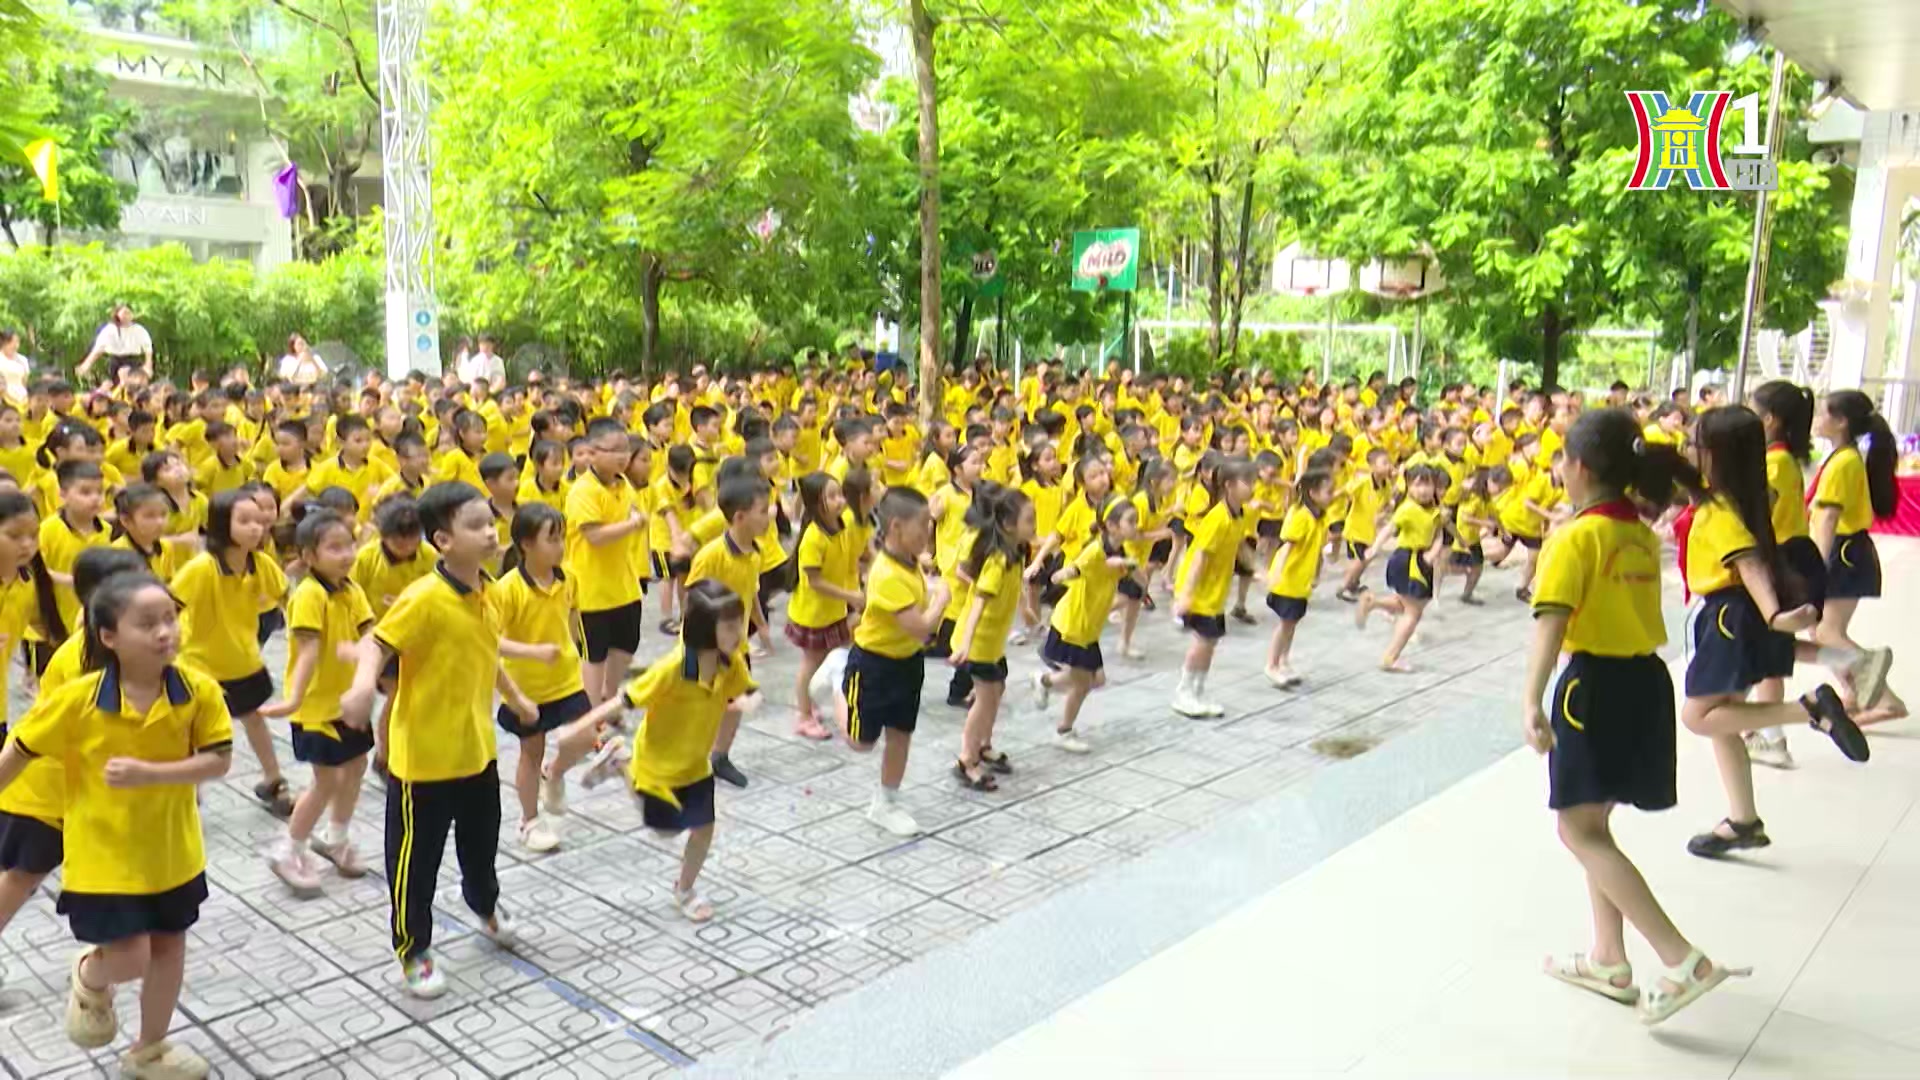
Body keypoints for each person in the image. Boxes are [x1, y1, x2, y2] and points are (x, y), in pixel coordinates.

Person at [1523, 407, 1744, 1026]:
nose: (1559, 470)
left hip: (1593, 689)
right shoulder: (1639, 535)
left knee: (1578, 831)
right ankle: (1608, 960)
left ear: (1581, 467)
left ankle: (1682, 960)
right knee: (1597, 824)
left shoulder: (1575, 537)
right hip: (1645, 681)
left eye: (1562, 460)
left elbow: (1551, 625)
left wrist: (1529, 702)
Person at [0, 571, 232, 1078]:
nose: (165, 632)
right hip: (102, 855)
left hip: (174, 851)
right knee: (129, 959)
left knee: (169, 947)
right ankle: (90, 975)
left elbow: (218, 761)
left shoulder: (198, 690)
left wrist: (154, 774)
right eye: (147, 623)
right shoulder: (78, 698)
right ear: (108, 636)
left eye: (170, 618)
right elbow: (19, 749)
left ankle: (149, 1051)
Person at [340, 482, 535, 999]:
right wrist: (362, 691)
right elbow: (375, 646)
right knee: (414, 863)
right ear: (443, 540)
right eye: (476, 525)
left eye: (490, 521)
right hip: (422, 762)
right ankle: (414, 948)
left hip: (477, 752)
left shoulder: (487, 590)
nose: (490, 531)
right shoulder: (424, 598)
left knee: (481, 845)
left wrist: (515, 699)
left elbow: (486, 653)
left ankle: (485, 905)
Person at [1680, 406, 1866, 860]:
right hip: (1733, 612)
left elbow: (1746, 560)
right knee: (1725, 720)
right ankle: (1743, 820)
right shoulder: (1749, 494)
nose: (1689, 449)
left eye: (1697, 444)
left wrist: (1773, 615)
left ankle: (1808, 711)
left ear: (1716, 454)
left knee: (1698, 716)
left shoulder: (1720, 508)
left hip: (1731, 614)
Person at [573, 580, 757, 923]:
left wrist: (748, 701)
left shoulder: (731, 664)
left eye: (740, 623)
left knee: (704, 828)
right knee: (665, 830)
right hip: (657, 763)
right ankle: (621, 759)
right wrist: (579, 725)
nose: (740, 632)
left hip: (695, 765)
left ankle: (685, 889)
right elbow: (624, 700)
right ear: (705, 629)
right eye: (730, 626)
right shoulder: (671, 669)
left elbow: (744, 690)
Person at [260, 509, 375, 892]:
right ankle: (287, 849)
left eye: (349, 545)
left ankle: (335, 838)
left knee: (356, 765)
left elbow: (370, 635)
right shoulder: (309, 594)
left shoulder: (352, 589)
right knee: (326, 780)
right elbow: (307, 651)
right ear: (309, 555)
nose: (346, 554)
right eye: (334, 547)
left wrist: (362, 656)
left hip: (348, 703)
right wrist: (292, 701)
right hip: (315, 708)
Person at [171, 490, 292, 818]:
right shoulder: (201, 568)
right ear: (222, 525)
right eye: (245, 521)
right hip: (200, 666)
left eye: (258, 520)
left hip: (244, 660)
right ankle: (188, 790)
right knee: (195, 731)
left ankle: (274, 779)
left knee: (254, 720)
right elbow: (171, 604)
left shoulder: (261, 564)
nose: (256, 527)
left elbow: (287, 597)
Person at [835, 487, 948, 836]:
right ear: (896, 527)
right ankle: (835, 674)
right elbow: (922, 629)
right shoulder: (885, 574)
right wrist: (943, 596)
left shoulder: (909, 560)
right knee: (861, 743)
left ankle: (885, 803)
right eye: (923, 527)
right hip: (874, 665)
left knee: (901, 734)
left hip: (907, 664)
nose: (928, 533)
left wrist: (929, 586)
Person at [490, 503, 593, 854]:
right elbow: (489, 641)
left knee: (586, 735)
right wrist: (532, 653)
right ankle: (529, 822)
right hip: (526, 688)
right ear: (525, 544)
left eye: (562, 538)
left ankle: (556, 771)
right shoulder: (507, 589)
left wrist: (573, 649)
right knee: (530, 752)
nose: (560, 546)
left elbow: (573, 617)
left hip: (565, 679)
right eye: (552, 539)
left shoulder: (569, 578)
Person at [1810, 389, 1907, 726]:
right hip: (1848, 550)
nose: (1816, 420)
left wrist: (1816, 566)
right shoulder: (1844, 457)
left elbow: (1828, 518)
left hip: (1842, 552)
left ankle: (1885, 698)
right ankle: (1856, 691)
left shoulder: (1843, 462)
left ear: (1841, 422)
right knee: (1820, 632)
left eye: (1823, 414)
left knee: (1827, 633)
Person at [1033, 497, 1139, 752]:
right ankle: (1063, 731)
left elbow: (1142, 582)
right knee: (1082, 683)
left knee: (1097, 679)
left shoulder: (1124, 552)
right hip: (1073, 625)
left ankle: (1045, 681)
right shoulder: (1095, 551)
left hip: (1089, 627)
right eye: (1131, 521)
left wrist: (1128, 565)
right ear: (1112, 526)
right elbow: (1074, 569)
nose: (1136, 526)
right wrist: (1057, 575)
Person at [686, 474, 771, 789]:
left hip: (738, 648)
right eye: (763, 511)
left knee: (736, 704)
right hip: (707, 647)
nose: (769, 516)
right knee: (701, 707)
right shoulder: (711, 556)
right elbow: (692, 599)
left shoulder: (755, 552)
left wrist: (760, 625)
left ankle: (719, 756)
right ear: (739, 517)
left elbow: (752, 593)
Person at [949, 485, 1034, 789]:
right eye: (1029, 520)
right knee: (984, 701)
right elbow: (976, 606)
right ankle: (966, 760)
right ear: (1009, 525)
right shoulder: (997, 561)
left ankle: (983, 746)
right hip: (979, 643)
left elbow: (1017, 587)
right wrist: (966, 645)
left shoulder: (1018, 551)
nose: (1034, 526)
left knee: (996, 692)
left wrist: (1026, 609)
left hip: (994, 642)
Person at [567, 419, 646, 706]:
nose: (622, 456)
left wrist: (635, 520)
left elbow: (636, 512)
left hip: (625, 584)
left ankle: (608, 700)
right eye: (614, 450)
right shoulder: (583, 490)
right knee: (595, 656)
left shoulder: (624, 485)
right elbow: (595, 536)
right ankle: (592, 718)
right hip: (591, 591)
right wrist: (633, 524)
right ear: (593, 452)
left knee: (626, 647)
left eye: (625, 449)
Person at [1171, 457, 1255, 718]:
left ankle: (1197, 690)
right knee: (1202, 641)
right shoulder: (1216, 518)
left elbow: (1240, 545)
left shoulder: (1240, 514)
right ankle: (1183, 692)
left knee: (1211, 641)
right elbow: (1198, 557)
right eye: (1247, 482)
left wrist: (1257, 570)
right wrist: (1185, 595)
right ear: (1229, 485)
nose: (1253, 487)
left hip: (1216, 591)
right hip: (1200, 592)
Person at [786, 472, 863, 741]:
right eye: (831, 496)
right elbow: (815, 581)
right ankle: (803, 716)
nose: (840, 500)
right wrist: (850, 596)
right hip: (813, 613)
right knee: (811, 662)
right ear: (815, 503)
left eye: (840, 493)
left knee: (828, 659)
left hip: (833, 610)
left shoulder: (842, 525)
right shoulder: (813, 537)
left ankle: (810, 704)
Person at [1357, 466, 1448, 672]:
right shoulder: (1407, 509)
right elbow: (1390, 529)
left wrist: (1433, 553)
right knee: (1413, 614)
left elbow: (1439, 535)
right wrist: (1374, 549)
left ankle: (1372, 602)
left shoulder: (1434, 510)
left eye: (1427, 484)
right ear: (1408, 486)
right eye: (1417, 484)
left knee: (1407, 605)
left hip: (1422, 561)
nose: (1423, 490)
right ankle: (1391, 657)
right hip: (1408, 561)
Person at [1263, 465, 1334, 688]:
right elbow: (1286, 547)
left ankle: (1284, 660)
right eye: (1328, 492)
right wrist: (1275, 573)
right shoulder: (1301, 516)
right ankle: (1272, 664)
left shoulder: (1320, 518)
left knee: (1292, 623)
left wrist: (1316, 574)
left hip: (1301, 582)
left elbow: (1319, 550)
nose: (1332, 496)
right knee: (1285, 624)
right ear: (1312, 493)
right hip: (1288, 580)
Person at [75, 305, 153, 386]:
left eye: (129, 313)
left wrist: (148, 366)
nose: (127, 316)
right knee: (117, 387)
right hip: (116, 362)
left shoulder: (139, 329)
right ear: (117, 314)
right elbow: (98, 349)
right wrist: (86, 365)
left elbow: (148, 349)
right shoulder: (110, 329)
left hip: (133, 361)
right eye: (124, 313)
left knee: (136, 386)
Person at [0, 329, 31, 404]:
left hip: (22, 398)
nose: (15, 345)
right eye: (12, 342)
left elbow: (25, 381)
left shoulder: (22, 359)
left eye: (17, 342)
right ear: (4, 342)